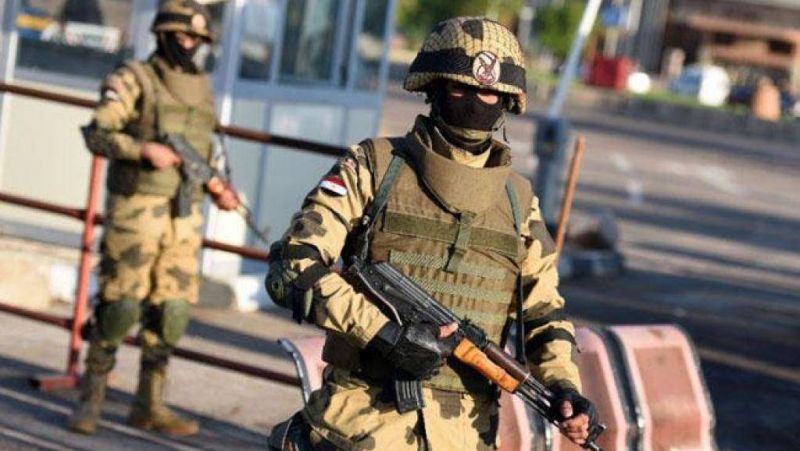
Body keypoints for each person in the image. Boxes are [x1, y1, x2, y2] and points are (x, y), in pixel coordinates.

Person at [265, 17, 598, 450]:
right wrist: (385, 333)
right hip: (362, 425)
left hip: (466, 433)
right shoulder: (375, 166)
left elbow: (544, 314)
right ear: (433, 88)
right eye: (460, 88)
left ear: (506, 102)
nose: (475, 103)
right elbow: (294, 264)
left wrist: (565, 387)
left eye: (489, 93)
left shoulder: (518, 201)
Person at [69, 0, 238, 436]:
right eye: (182, 35)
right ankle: (90, 400)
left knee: (172, 311)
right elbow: (97, 133)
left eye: (197, 38)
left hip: (184, 216)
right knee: (120, 306)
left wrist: (218, 186)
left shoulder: (201, 87)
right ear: (162, 35)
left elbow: (203, 150)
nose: (190, 43)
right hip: (137, 211)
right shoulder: (133, 78)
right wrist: (141, 149)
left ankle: (149, 405)